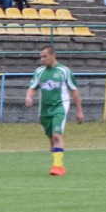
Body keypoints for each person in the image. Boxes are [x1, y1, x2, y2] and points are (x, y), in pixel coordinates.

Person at [25, 45, 83, 176]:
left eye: (45, 56)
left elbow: (74, 91)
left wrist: (79, 111)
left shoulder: (64, 71)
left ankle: (57, 167)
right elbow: (32, 87)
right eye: (41, 57)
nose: (42, 59)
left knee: (57, 136)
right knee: (51, 140)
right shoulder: (39, 71)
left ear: (53, 56)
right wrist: (29, 97)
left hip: (60, 107)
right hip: (44, 110)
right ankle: (60, 164)